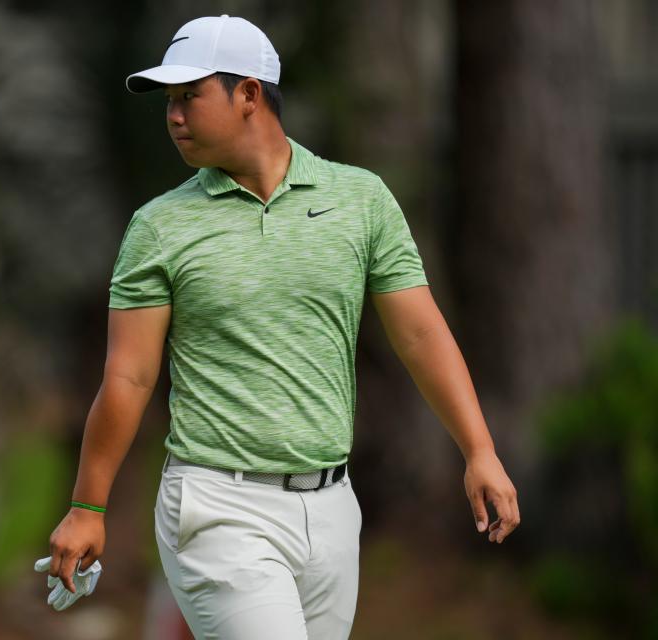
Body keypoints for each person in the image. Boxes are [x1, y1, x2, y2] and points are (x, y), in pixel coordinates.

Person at [37, 14, 521, 639]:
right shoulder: (160, 228)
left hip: (332, 508)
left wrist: (479, 451)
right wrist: (87, 506)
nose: (174, 116)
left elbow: (421, 334)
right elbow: (129, 376)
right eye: (169, 102)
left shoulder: (361, 200)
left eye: (190, 96)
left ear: (249, 95)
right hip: (216, 506)